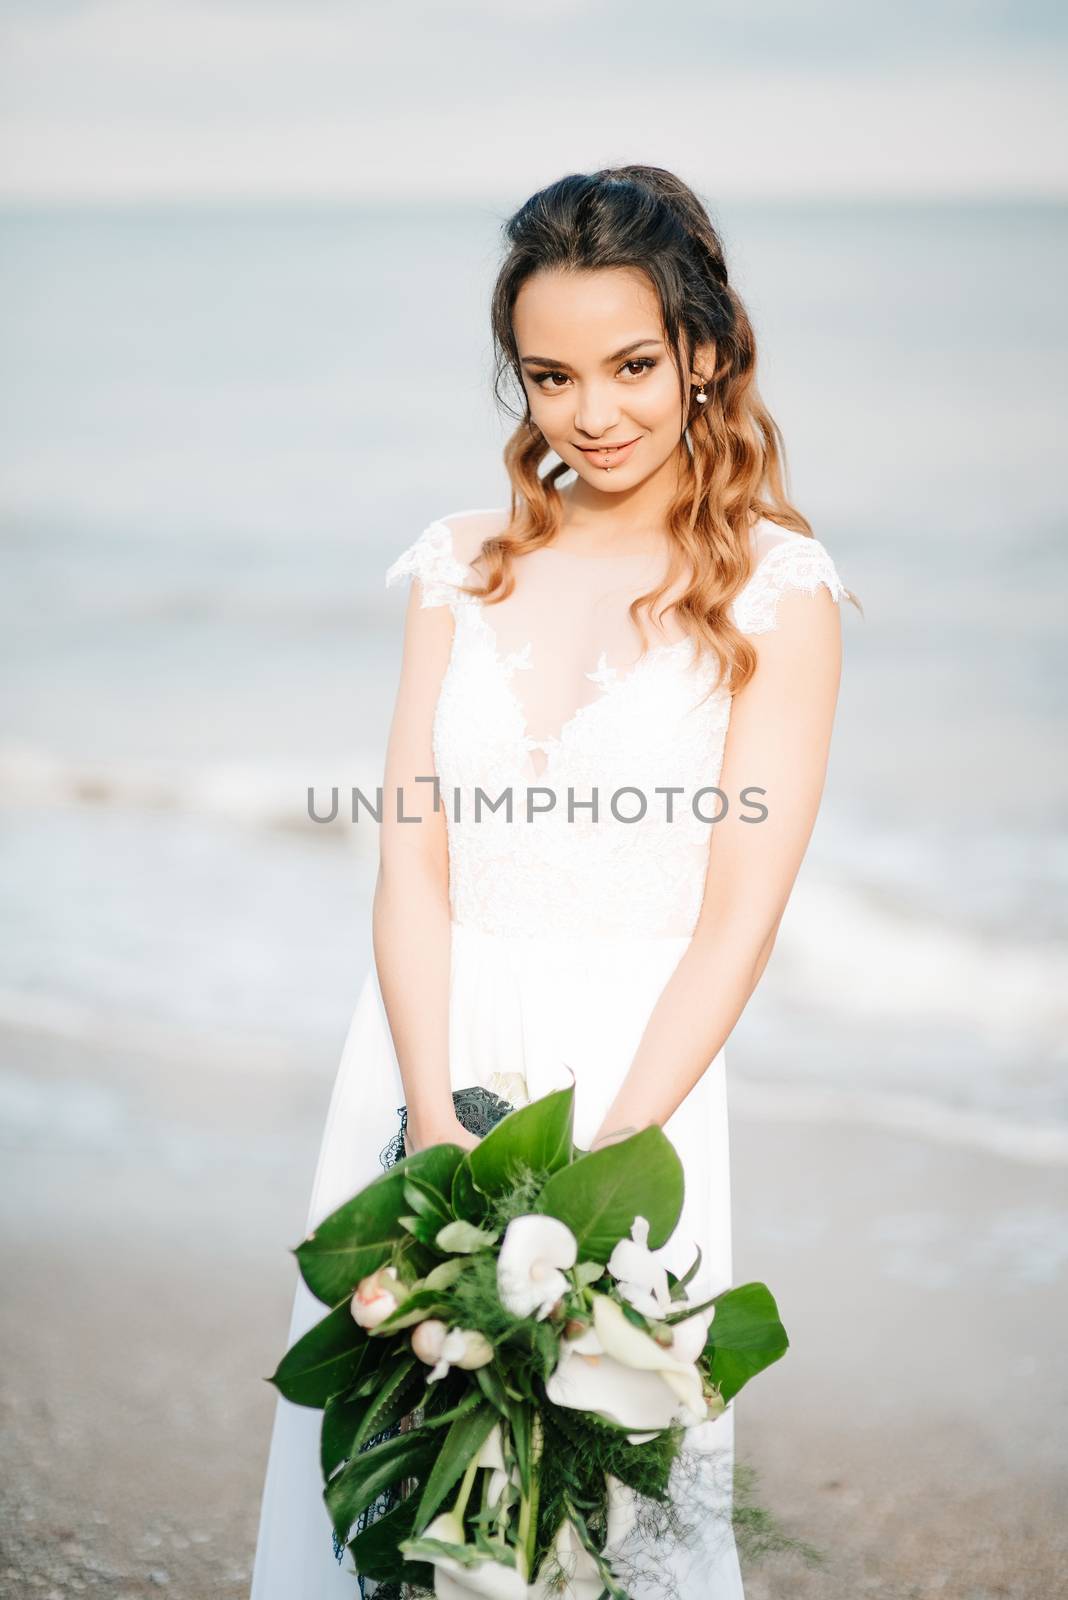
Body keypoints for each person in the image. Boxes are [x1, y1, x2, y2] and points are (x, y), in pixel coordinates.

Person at [249, 163, 858, 1600]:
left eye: (635, 365)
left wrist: (595, 1184)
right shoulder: (457, 567)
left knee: (609, 1489)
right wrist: (424, 1109)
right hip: (425, 1053)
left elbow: (738, 922)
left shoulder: (780, 589)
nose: (595, 413)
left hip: (634, 1083)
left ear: (705, 352)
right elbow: (410, 857)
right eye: (552, 375)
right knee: (398, 1473)